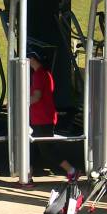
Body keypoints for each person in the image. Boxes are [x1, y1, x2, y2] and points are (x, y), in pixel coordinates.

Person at [18, 50, 77, 188]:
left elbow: (36, 97)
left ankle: (72, 170)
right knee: (32, 148)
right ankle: (27, 178)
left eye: (28, 58)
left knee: (47, 150)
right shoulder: (46, 74)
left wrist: (20, 103)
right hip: (42, 117)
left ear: (33, 59)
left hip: (42, 118)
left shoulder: (39, 75)